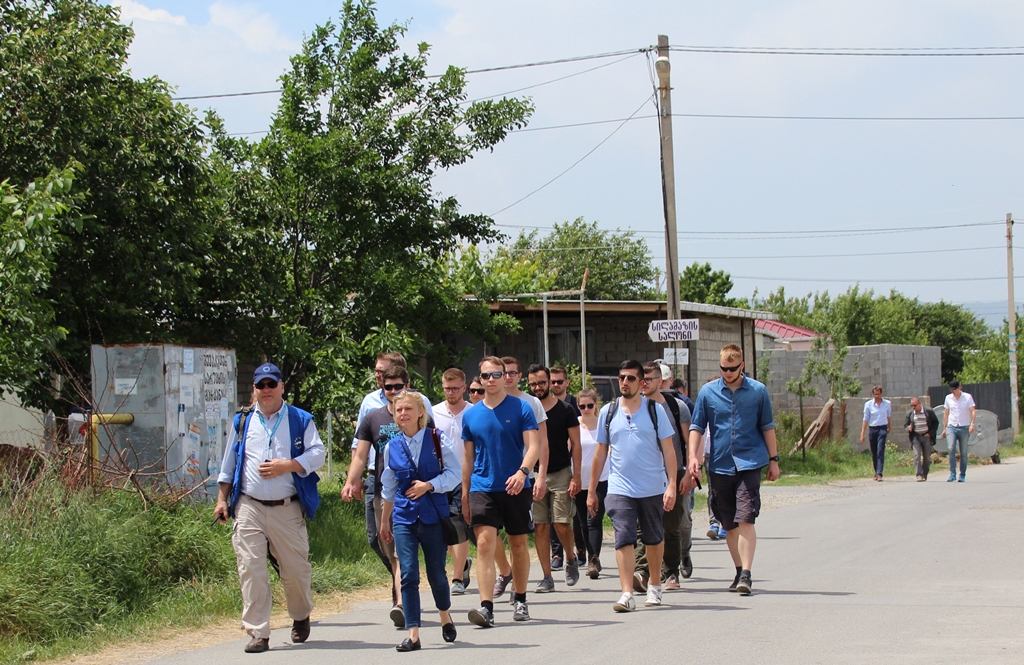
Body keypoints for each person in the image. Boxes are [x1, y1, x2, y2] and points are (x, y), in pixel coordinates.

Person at [214, 363, 325, 653]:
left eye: (271, 385)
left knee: (295, 570)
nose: (266, 391)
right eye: (260, 386)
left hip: (286, 507)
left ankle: (300, 615)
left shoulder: (300, 419)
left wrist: (287, 466)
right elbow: (229, 464)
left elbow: (318, 453)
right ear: (254, 389)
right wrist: (222, 499)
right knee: (251, 569)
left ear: (281, 387)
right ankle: (258, 632)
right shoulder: (243, 421)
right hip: (249, 505)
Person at [341, 352, 432, 620]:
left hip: (411, 490)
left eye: (398, 387)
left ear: (408, 385)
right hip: (381, 487)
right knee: (378, 540)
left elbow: (433, 444)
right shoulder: (373, 415)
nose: (393, 391)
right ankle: (404, 581)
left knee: (403, 546)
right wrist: (350, 480)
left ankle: (402, 600)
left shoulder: (418, 408)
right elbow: (360, 453)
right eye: (387, 387)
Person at [687, 344, 779, 597]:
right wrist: (694, 457)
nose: (727, 373)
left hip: (750, 462)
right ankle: (739, 570)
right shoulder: (708, 393)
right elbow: (696, 426)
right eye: (723, 369)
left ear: (742, 366)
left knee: (746, 517)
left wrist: (774, 459)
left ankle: (747, 574)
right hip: (720, 463)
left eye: (732, 369)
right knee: (728, 522)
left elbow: (767, 426)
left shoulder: (758, 392)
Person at [589, 360, 677, 612]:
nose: (625, 382)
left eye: (630, 378)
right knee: (623, 538)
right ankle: (626, 593)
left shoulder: (654, 410)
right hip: (619, 487)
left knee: (653, 539)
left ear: (642, 382)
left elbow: (669, 452)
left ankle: (655, 586)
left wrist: (671, 485)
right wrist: (593, 490)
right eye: (621, 378)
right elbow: (599, 454)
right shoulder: (608, 411)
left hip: (651, 486)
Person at [380, 391, 462, 652]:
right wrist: (385, 521)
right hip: (404, 518)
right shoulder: (391, 446)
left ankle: (445, 615)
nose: (403, 413)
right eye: (398, 410)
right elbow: (389, 488)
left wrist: (430, 485)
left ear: (420, 413)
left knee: (436, 573)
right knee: (408, 575)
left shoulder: (437, 439)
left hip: (432, 516)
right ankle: (413, 634)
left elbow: (454, 474)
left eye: (408, 409)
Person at [462, 357, 541, 627]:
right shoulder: (471, 414)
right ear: (480, 380)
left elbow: (533, 447)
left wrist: (522, 473)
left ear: (504, 376)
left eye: (497, 374)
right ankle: (486, 607)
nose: (492, 379)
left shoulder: (521, 408)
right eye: (486, 376)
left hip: (516, 486)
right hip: (482, 487)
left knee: (518, 544)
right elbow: (468, 459)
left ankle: (520, 598)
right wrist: (464, 493)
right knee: (484, 544)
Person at [635, 361, 694, 592]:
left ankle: (671, 571)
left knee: (671, 525)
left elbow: (689, 442)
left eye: (648, 379)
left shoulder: (676, 406)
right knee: (643, 525)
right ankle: (642, 571)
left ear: (659, 381)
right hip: (645, 473)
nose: (644, 384)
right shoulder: (634, 406)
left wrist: (688, 473)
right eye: (642, 379)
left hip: (674, 472)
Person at [527, 364, 582, 592]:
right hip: (534, 474)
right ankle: (547, 576)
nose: (537, 387)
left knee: (561, 523)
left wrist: (576, 475)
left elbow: (577, 444)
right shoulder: (526, 409)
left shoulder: (566, 409)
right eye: (533, 384)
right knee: (541, 527)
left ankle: (570, 556)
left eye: (541, 382)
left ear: (550, 382)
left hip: (560, 472)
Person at [431, 368, 472, 595]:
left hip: (465, 477)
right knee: (442, 529)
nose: (451, 392)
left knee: (460, 526)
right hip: (439, 477)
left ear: (464, 388)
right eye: (447, 388)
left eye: (455, 388)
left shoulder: (474, 412)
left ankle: (457, 578)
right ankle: (463, 562)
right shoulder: (434, 413)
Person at [576, 387, 609, 579]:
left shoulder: (603, 425)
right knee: (583, 522)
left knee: (593, 519)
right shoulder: (575, 426)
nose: (586, 409)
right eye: (582, 406)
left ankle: (593, 559)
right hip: (580, 480)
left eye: (590, 405)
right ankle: (590, 554)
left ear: (596, 405)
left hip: (601, 479)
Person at [943, 380, 976, 482]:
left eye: (955, 389)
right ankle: (952, 473)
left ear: (959, 388)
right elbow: (946, 413)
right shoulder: (948, 398)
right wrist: (944, 428)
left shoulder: (967, 397)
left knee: (964, 452)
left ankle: (962, 474)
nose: (953, 392)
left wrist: (972, 424)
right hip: (951, 426)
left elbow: (973, 411)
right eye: (952, 390)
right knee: (951, 448)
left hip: (964, 427)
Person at [859, 386, 891, 481]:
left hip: (882, 428)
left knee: (880, 450)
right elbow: (865, 419)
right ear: (873, 394)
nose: (876, 396)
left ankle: (879, 473)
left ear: (881, 394)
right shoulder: (868, 404)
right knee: (874, 452)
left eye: (878, 394)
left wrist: (890, 426)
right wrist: (862, 433)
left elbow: (889, 416)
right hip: (872, 429)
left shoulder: (887, 404)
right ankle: (876, 471)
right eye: (875, 394)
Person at [905, 396, 939, 482]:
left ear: (920, 404)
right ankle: (919, 475)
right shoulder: (910, 413)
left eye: (915, 405)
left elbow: (936, 422)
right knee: (917, 455)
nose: (913, 407)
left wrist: (930, 433)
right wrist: (909, 428)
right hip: (915, 436)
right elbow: (905, 425)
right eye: (911, 405)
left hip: (926, 436)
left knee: (927, 458)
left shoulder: (928, 411)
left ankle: (924, 473)